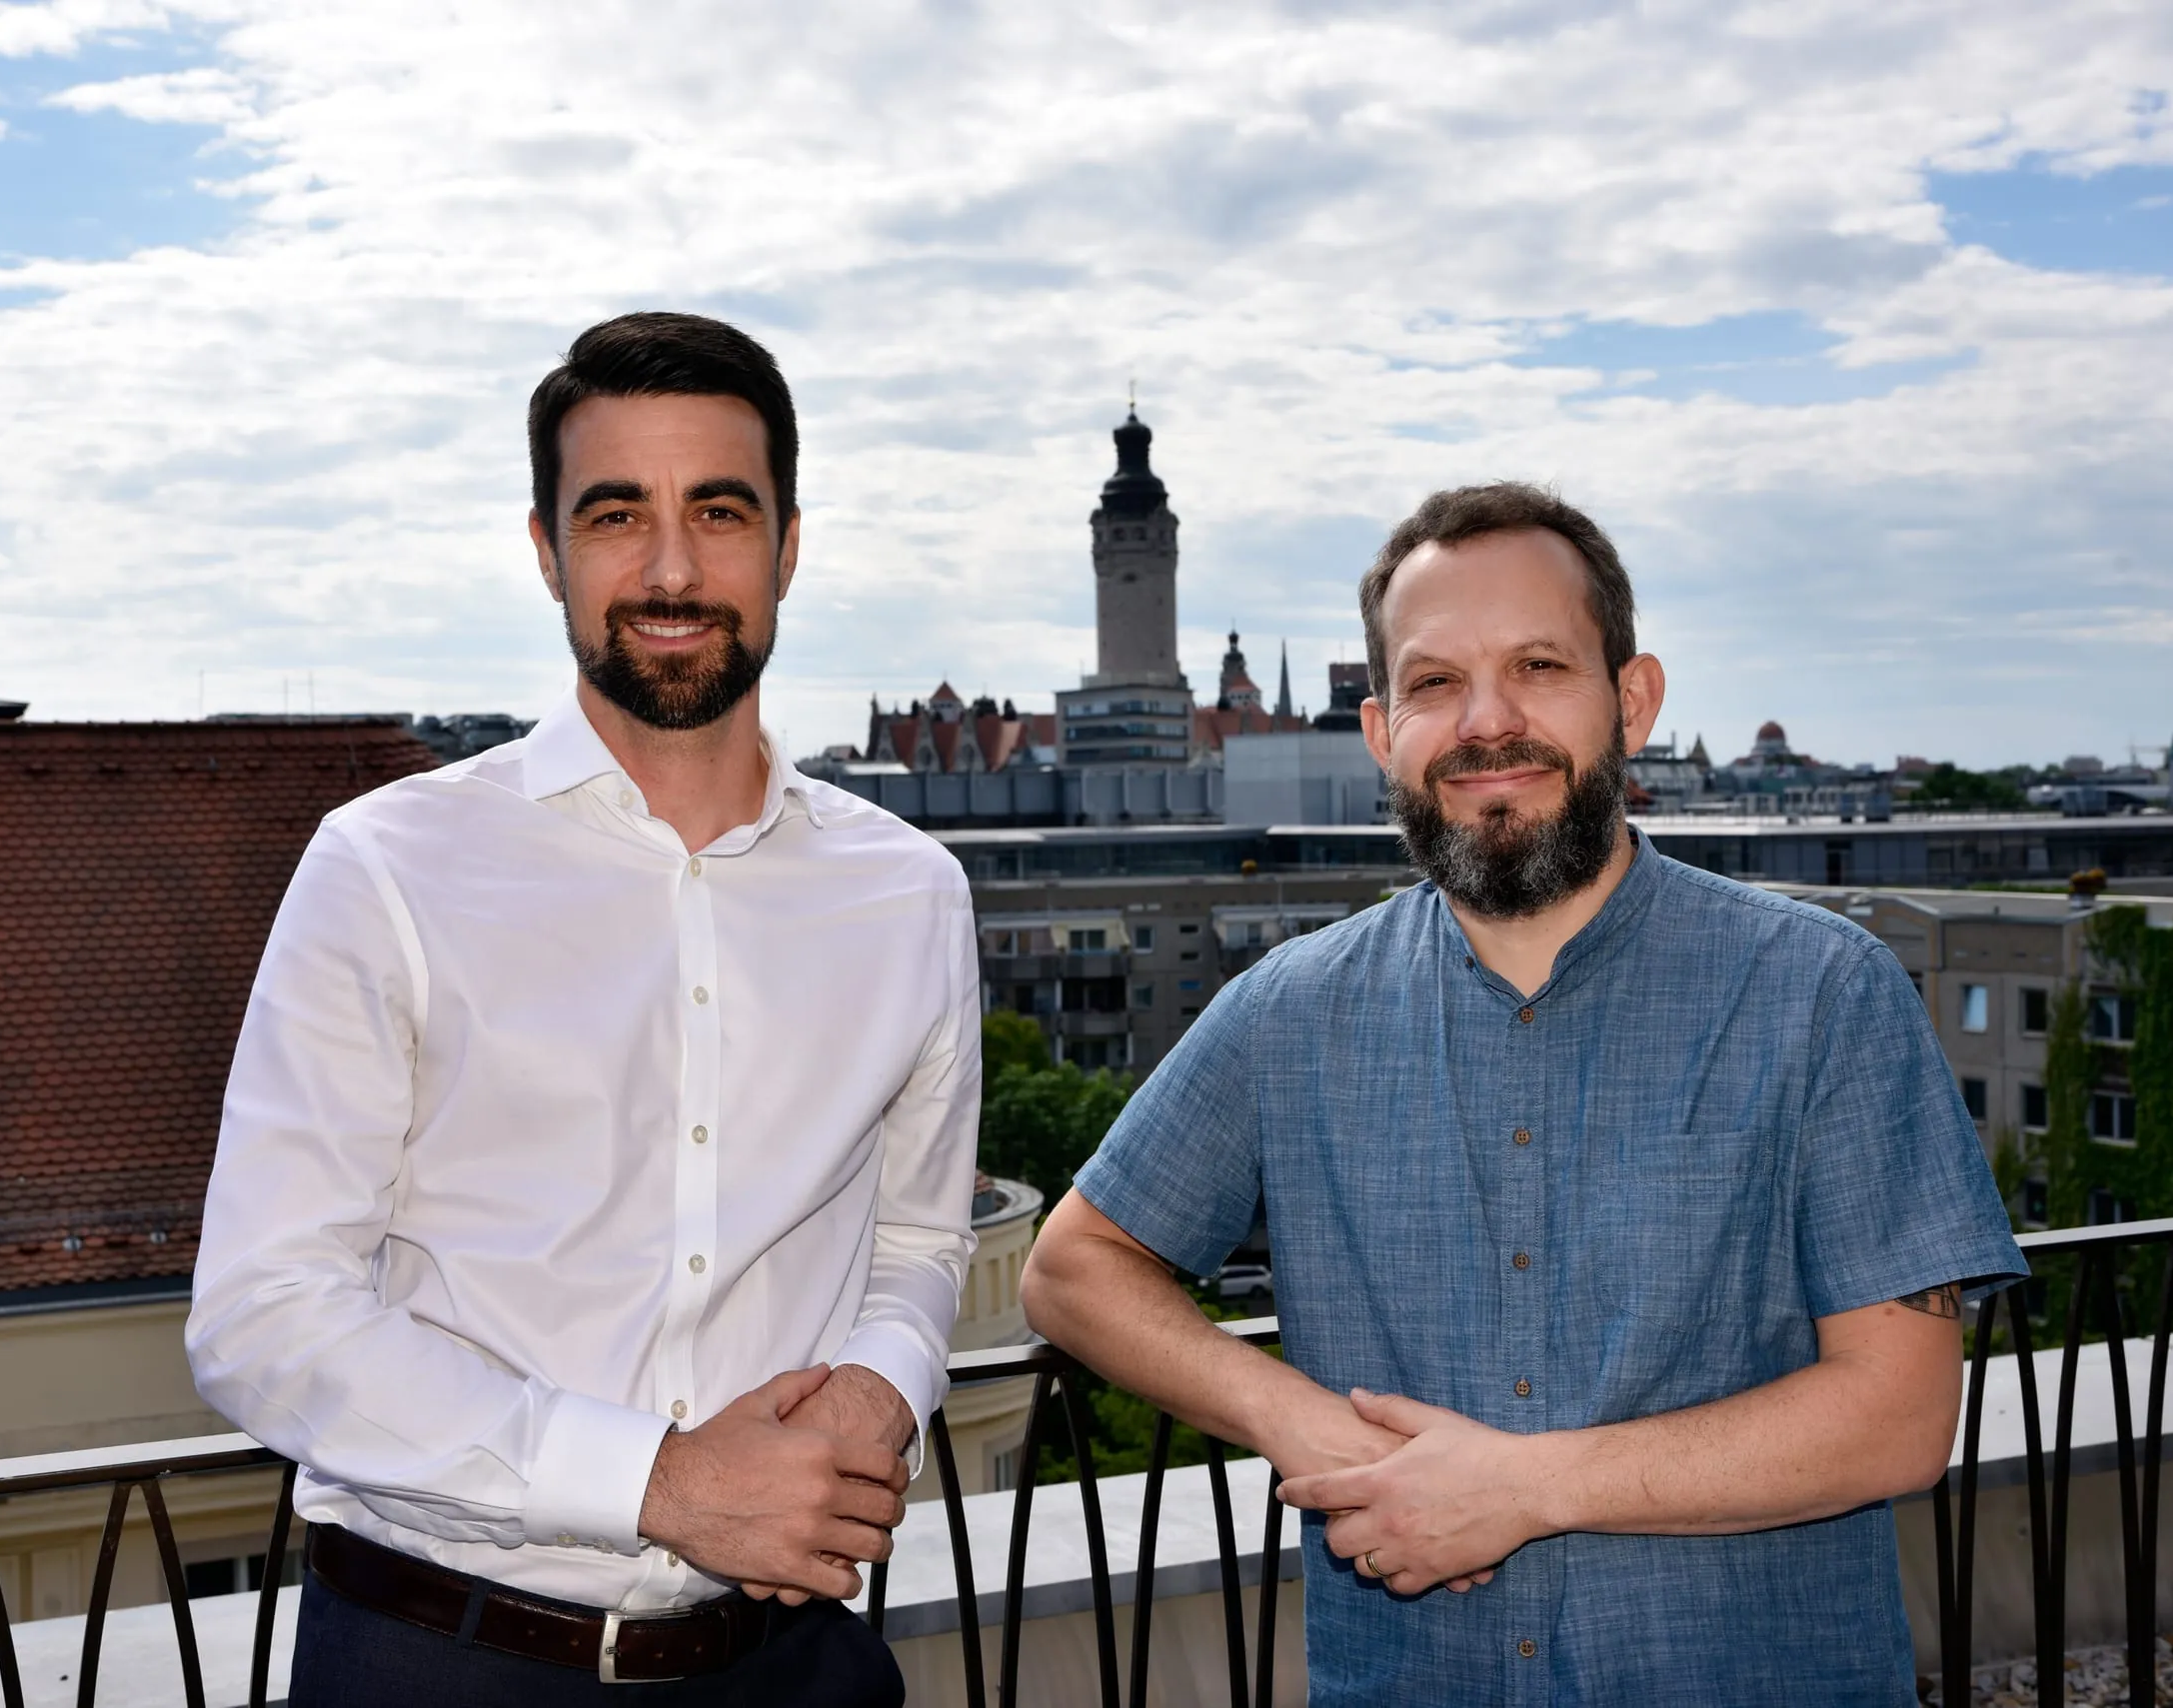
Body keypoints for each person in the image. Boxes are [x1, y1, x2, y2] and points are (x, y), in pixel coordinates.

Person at [1022, 482, 2026, 1706]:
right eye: (1436, 683)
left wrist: (1522, 1486)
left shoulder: (1820, 991)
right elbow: (1072, 1265)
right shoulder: (1290, 1010)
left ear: (1633, 699)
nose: (1486, 723)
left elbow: (1896, 1417)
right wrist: (1315, 1433)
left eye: (1539, 665)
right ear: (1381, 730)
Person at [188, 312, 979, 1706]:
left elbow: (915, 1238)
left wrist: (885, 1382)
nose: (671, 568)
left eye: (719, 512)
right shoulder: (385, 867)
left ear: (788, 545)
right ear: (549, 552)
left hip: (792, 1665)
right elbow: (264, 1314)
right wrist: (659, 1484)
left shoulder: (908, 892)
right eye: (617, 513)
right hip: (440, 1661)